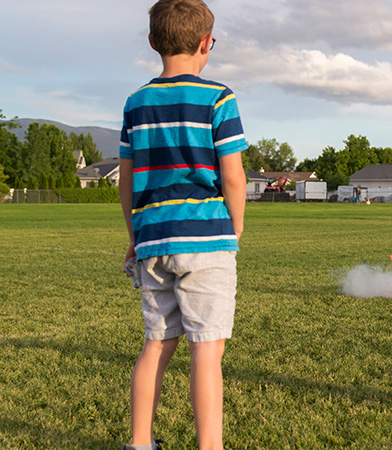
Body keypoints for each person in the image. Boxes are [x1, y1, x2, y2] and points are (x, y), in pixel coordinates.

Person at [118, 1, 247, 449]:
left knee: (156, 343)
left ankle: (140, 443)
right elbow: (233, 175)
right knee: (207, 350)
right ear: (205, 43)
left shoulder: (136, 103)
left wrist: (136, 238)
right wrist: (236, 227)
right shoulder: (218, 97)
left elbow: (127, 183)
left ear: (153, 42)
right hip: (206, 239)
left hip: (152, 239)